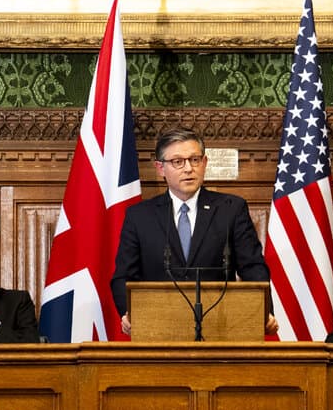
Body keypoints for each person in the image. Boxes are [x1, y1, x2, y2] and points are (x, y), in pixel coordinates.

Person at [111, 127, 278, 336]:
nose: (188, 168)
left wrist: (264, 312)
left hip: (220, 328)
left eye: (195, 160)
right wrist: (129, 313)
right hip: (158, 330)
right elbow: (124, 276)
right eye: (177, 162)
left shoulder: (230, 209)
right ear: (160, 168)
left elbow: (253, 268)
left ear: (205, 163)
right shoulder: (140, 216)